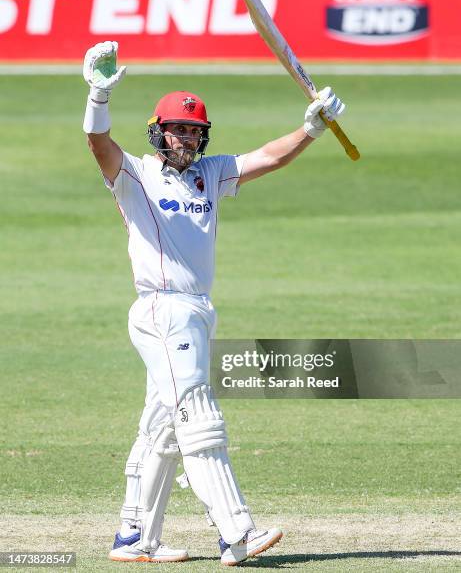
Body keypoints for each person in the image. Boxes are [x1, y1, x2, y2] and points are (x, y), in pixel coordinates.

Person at [82, 41, 345, 566]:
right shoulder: (135, 175)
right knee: (196, 412)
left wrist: (312, 128)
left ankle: (135, 537)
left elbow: (270, 156)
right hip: (161, 309)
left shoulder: (211, 173)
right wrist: (99, 94)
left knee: (162, 423)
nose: (186, 137)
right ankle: (235, 532)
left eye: (195, 130)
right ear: (159, 131)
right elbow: (98, 141)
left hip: (197, 310)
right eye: (178, 129)